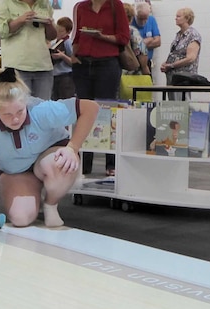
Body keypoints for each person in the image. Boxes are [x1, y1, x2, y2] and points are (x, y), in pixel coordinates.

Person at [0, 68, 99, 232]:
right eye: (7, 114)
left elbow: (91, 108)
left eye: (20, 111)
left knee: (60, 164)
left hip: (49, 154)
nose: (15, 119)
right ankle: (35, 193)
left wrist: (72, 148)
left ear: (26, 102)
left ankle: (51, 203)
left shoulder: (39, 110)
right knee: (21, 218)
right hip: (16, 171)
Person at [72, 0, 131, 177]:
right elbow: (76, 36)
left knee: (107, 112)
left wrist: (102, 37)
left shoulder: (115, 5)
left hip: (107, 63)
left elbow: (123, 37)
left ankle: (111, 162)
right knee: (83, 113)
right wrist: (73, 55)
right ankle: (84, 164)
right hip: (83, 63)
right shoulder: (81, 7)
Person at [0, 0, 58, 100]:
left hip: (43, 66)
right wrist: (20, 20)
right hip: (17, 67)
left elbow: (52, 36)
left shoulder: (44, 3)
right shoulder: (6, 2)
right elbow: (0, 31)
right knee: (18, 108)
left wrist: (49, 24)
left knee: (43, 109)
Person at [160, 8, 201, 86]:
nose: (176, 18)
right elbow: (175, 53)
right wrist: (166, 63)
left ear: (187, 18)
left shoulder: (193, 35)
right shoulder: (179, 35)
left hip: (184, 78)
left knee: (181, 97)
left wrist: (171, 65)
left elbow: (191, 58)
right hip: (173, 76)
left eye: (178, 16)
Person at [51, 17, 76, 100]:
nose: (58, 33)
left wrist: (62, 56)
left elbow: (74, 62)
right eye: (57, 30)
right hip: (55, 75)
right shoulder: (56, 42)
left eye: (61, 31)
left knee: (66, 101)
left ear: (68, 32)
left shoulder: (68, 43)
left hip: (66, 76)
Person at [132, 2, 159, 72]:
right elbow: (129, 47)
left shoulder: (151, 19)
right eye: (140, 18)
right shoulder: (130, 21)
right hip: (132, 63)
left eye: (145, 19)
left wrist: (138, 45)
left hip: (147, 62)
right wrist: (149, 40)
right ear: (135, 14)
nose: (143, 22)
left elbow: (158, 42)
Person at [124, 4, 150, 76]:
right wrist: (145, 69)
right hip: (130, 72)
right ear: (131, 17)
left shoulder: (109, 31)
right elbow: (141, 51)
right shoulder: (131, 31)